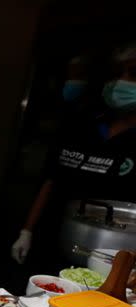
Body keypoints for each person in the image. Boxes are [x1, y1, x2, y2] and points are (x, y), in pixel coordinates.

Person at [12, 45, 136, 264]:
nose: (122, 81)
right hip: (53, 240)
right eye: (118, 74)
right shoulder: (82, 124)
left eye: (133, 74)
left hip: (110, 256)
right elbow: (51, 180)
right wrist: (26, 231)